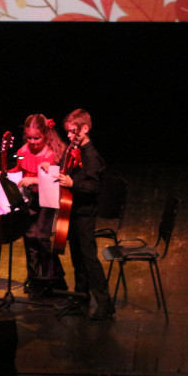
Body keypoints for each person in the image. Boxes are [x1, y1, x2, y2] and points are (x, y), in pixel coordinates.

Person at [48, 108, 114, 320]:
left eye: (73, 131)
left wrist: (73, 183)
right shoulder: (73, 150)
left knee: (88, 257)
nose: (69, 136)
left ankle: (105, 304)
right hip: (73, 210)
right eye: (67, 132)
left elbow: (94, 187)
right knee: (77, 257)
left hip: (85, 213)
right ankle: (81, 296)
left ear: (85, 129)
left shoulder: (92, 156)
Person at [11, 113, 68, 296]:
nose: (33, 141)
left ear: (46, 135)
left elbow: (56, 180)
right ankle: (35, 278)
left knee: (42, 237)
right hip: (30, 199)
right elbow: (18, 168)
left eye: (37, 138)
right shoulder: (22, 152)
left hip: (48, 200)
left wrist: (35, 178)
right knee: (29, 236)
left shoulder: (53, 154)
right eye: (29, 138)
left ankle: (53, 278)